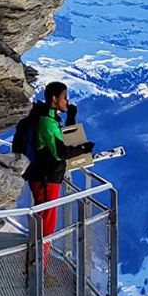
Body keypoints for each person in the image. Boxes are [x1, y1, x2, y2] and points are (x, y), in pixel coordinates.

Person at [21, 82, 93, 268]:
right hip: (45, 179)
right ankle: (38, 270)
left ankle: (38, 267)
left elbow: (60, 139)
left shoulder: (49, 117)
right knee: (46, 225)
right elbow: (59, 152)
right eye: (64, 97)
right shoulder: (46, 121)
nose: (67, 101)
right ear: (54, 98)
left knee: (46, 224)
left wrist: (71, 117)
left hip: (46, 178)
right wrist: (83, 149)